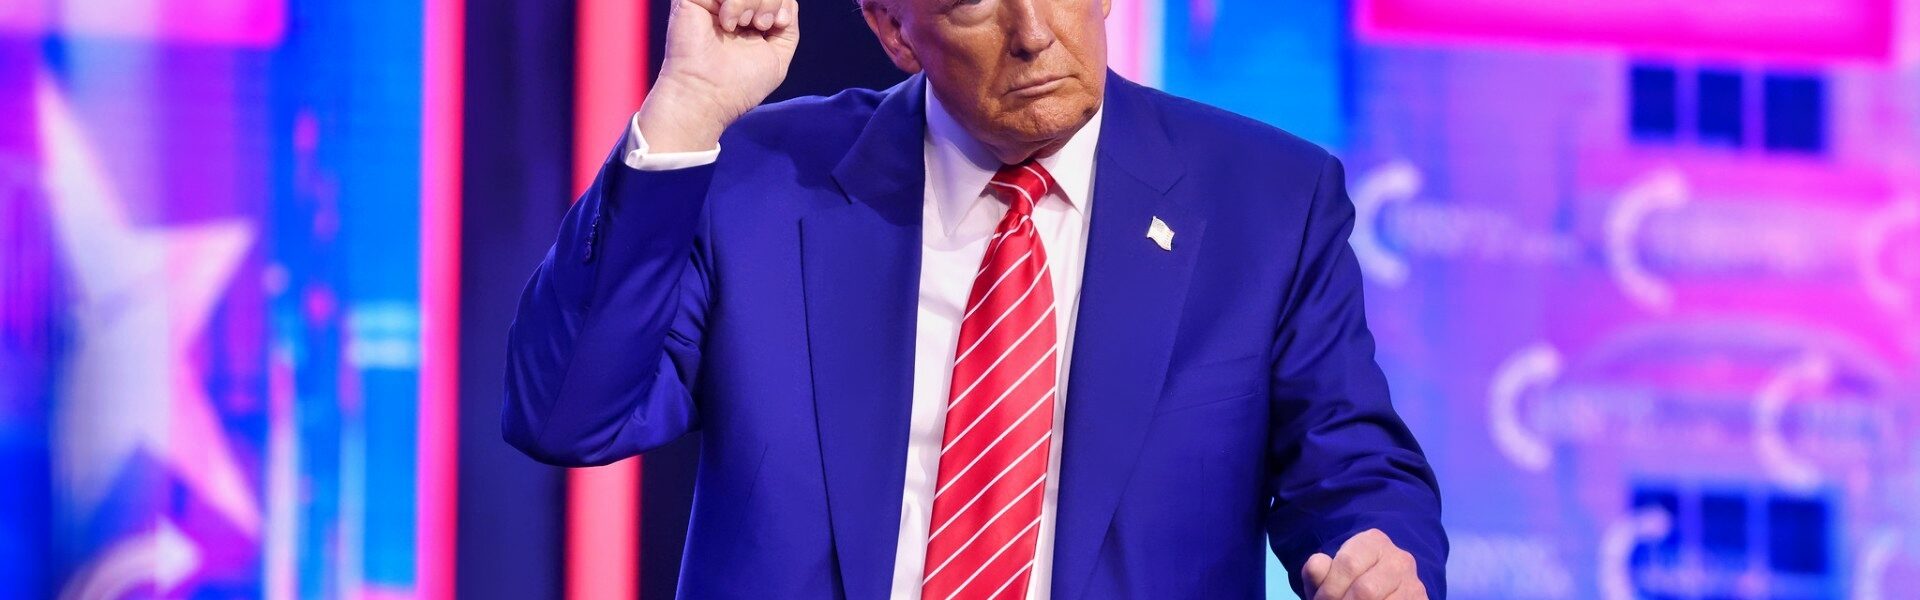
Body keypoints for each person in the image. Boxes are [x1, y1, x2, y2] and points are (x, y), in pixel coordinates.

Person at [502, 0, 1446, 597]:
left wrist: (1376, 560)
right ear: (890, 28)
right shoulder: (764, 184)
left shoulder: (1267, 204)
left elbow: (1351, 475)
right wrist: (686, 107)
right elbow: (568, 413)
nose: (1034, 30)